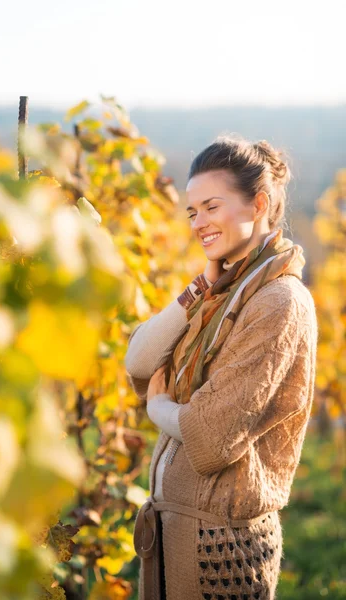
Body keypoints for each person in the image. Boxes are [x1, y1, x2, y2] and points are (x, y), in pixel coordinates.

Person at [125, 136, 318, 600]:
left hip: (219, 548)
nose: (199, 223)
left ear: (258, 203)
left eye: (211, 206)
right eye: (193, 212)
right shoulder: (222, 292)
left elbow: (210, 436)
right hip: (176, 535)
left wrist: (159, 408)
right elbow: (139, 360)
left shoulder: (279, 301)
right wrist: (198, 289)